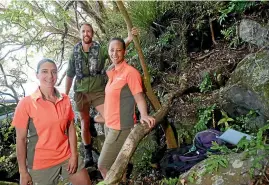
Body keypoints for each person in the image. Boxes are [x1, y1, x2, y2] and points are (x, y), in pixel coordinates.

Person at [65, 22, 136, 167]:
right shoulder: (74, 52)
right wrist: (65, 96)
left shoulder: (100, 49)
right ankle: (88, 154)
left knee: (109, 117)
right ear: (80, 34)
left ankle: (97, 125)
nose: (86, 34)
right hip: (80, 92)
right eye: (83, 31)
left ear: (92, 33)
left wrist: (129, 38)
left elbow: (115, 51)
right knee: (84, 123)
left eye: (89, 31)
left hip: (97, 90)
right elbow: (69, 75)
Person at [12, 59, 91, 185]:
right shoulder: (26, 103)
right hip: (40, 163)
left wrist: (74, 155)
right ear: (37, 75)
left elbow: (70, 128)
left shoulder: (64, 99)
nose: (50, 76)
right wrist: (23, 171)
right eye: (44, 71)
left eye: (53, 72)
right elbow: (20, 139)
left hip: (66, 155)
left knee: (85, 182)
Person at [98, 38, 156, 178]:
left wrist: (144, 115)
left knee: (103, 165)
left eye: (119, 50)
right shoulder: (112, 71)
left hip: (120, 127)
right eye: (112, 50)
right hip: (109, 125)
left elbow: (139, 97)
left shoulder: (130, 73)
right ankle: (122, 180)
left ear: (124, 52)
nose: (115, 53)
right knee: (116, 163)